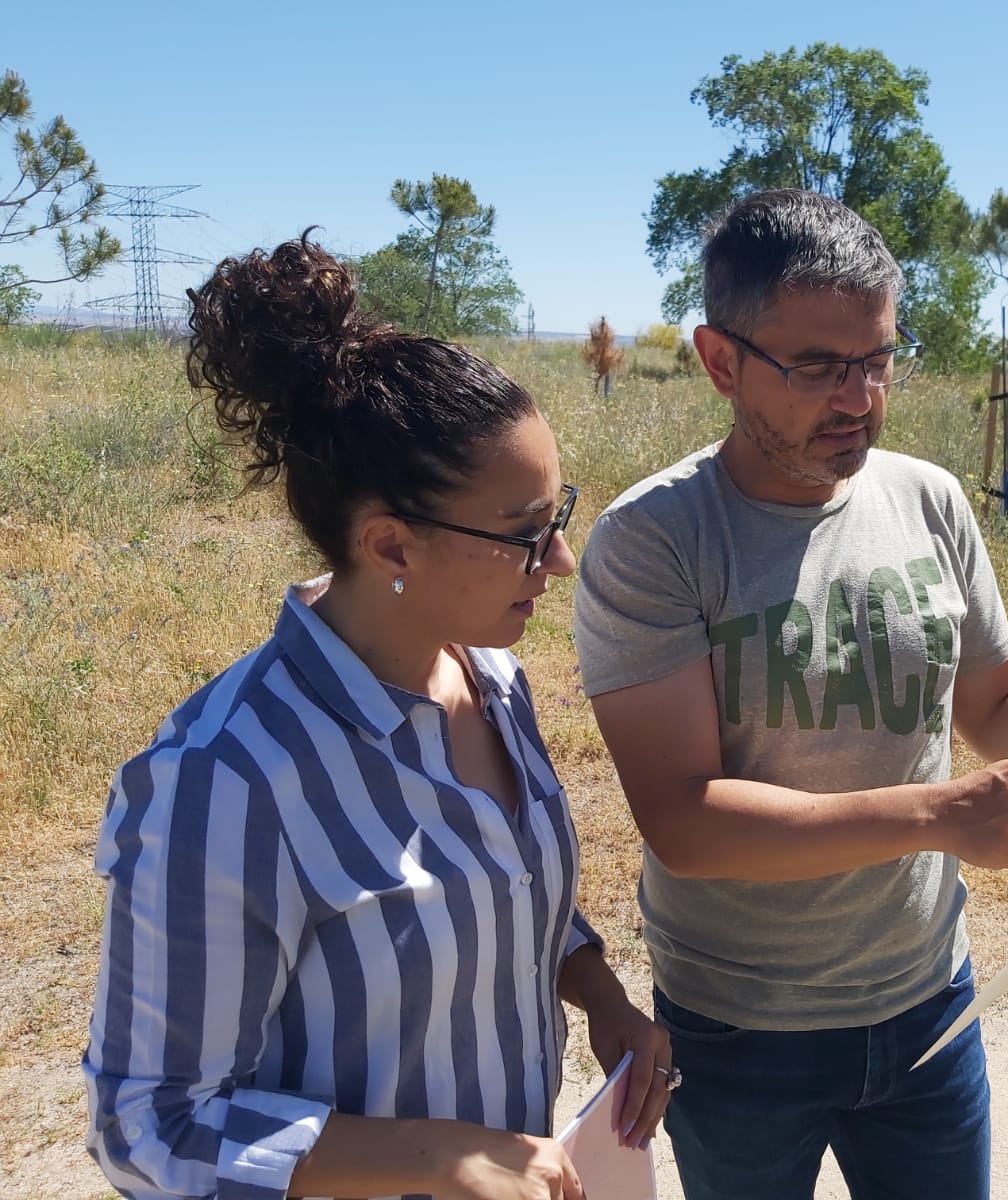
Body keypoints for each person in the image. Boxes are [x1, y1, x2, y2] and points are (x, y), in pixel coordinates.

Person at [572, 189, 1008, 1200]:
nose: (859, 398)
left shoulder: (929, 499)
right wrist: (942, 812)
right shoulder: (654, 540)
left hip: (925, 1003)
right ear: (719, 360)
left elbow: (997, 708)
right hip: (741, 1029)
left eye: (877, 359)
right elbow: (685, 822)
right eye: (819, 367)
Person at [83, 234, 673, 1200]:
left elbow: (515, 898)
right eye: (527, 536)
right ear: (389, 543)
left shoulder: (493, 679)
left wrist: (602, 996)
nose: (561, 563)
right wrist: (440, 1158)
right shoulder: (223, 781)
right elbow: (148, 1126)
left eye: (558, 515)